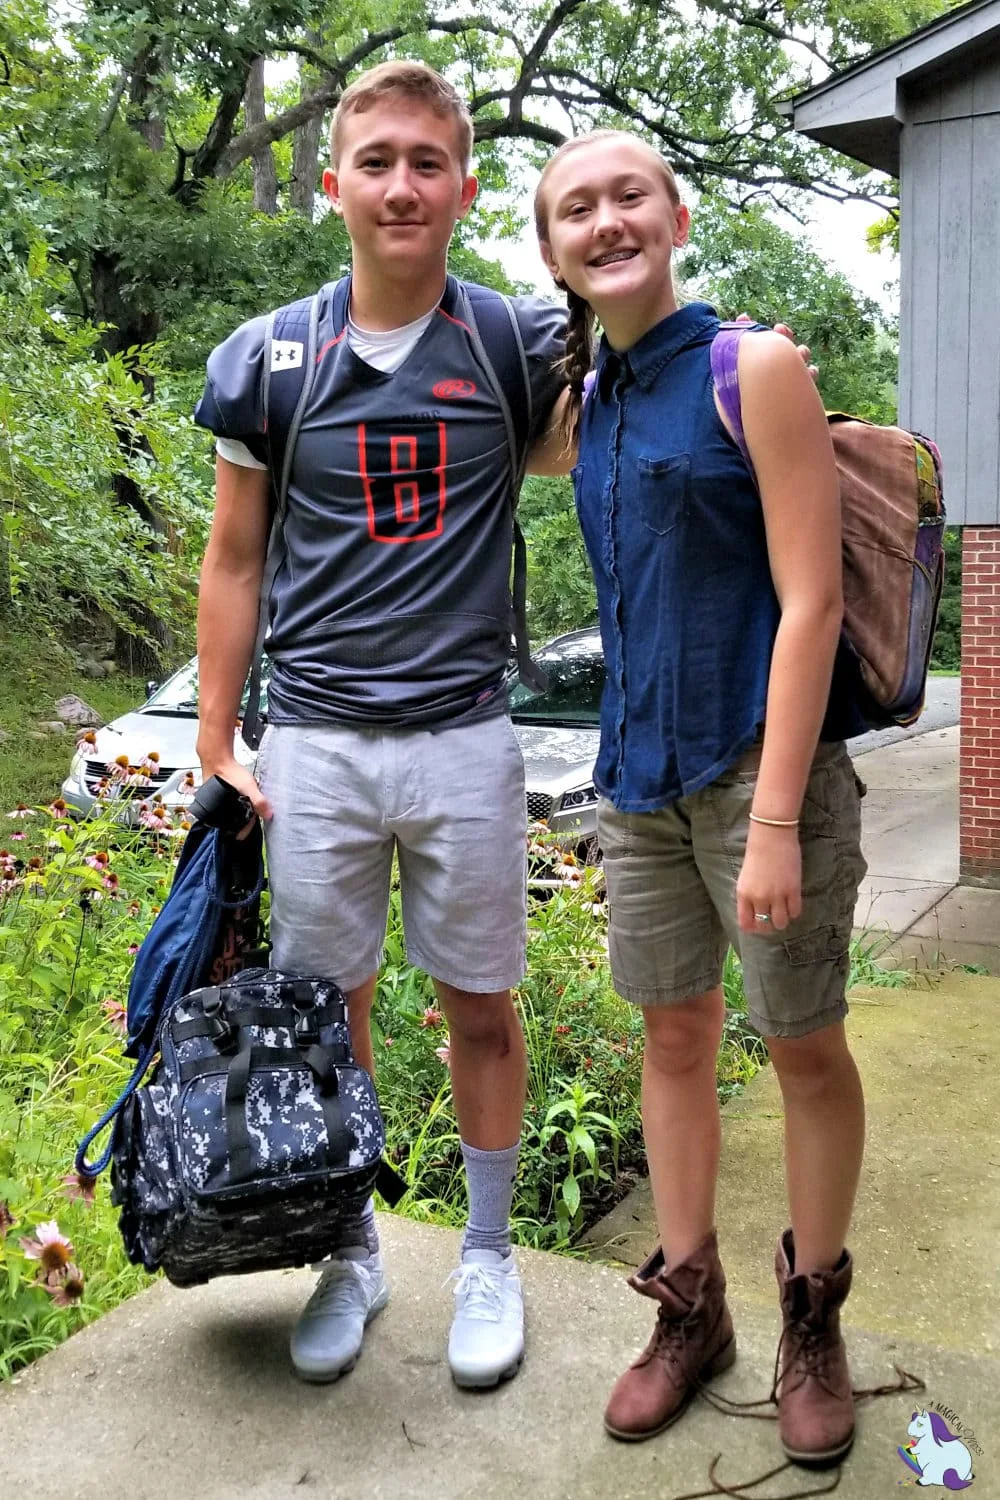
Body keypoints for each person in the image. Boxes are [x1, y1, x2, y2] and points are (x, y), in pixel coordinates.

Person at [193, 61, 568, 1389]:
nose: (401, 184)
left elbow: (636, 420)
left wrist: (744, 359)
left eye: (427, 162)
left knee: (479, 1000)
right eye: (377, 161)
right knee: (327, 1005)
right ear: (336, 184)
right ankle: (353, 1246)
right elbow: (235, 559)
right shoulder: (271, 357)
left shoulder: (519, 346)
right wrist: (217, 733)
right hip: (319, 740)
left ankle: (484, 1251)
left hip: (464, 732)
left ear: (466, 188)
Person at [533, 130, 869, 1468]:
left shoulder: (755, 368)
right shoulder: (585, 403)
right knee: (672, 1043)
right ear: (551, 249)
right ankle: (692, 1311)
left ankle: (814, 1317)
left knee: (803, 1047)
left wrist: (778, 815)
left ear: (674, 214)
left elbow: (813, 599)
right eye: (575, 210)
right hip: (635, 784)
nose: (606, 221)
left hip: (754, 775)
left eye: (628, 196)